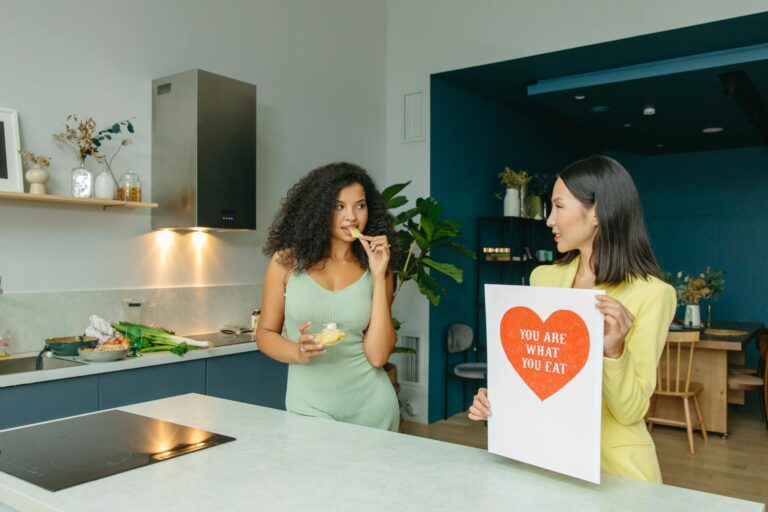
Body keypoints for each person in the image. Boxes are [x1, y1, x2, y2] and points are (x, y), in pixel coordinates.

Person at [469, 155, 676, 482]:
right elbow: (538, 370)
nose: (549, 220)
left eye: (559, 207)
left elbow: (630, 411)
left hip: (615, 470)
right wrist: (497, 398)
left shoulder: (653, 294)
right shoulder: (543, 279)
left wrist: (614, 351)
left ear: (596, 212)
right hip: (544, 458)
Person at [256, 162, 401, 432]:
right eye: (339, 206)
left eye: (360, 205)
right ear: (319, 209)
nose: (352, 217)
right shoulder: (286, 262)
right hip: (309, 409)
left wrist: (379, 276)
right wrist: (297, 352)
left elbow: (378, 356)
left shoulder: (378, 269)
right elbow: (264, 334)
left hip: (373, 410)